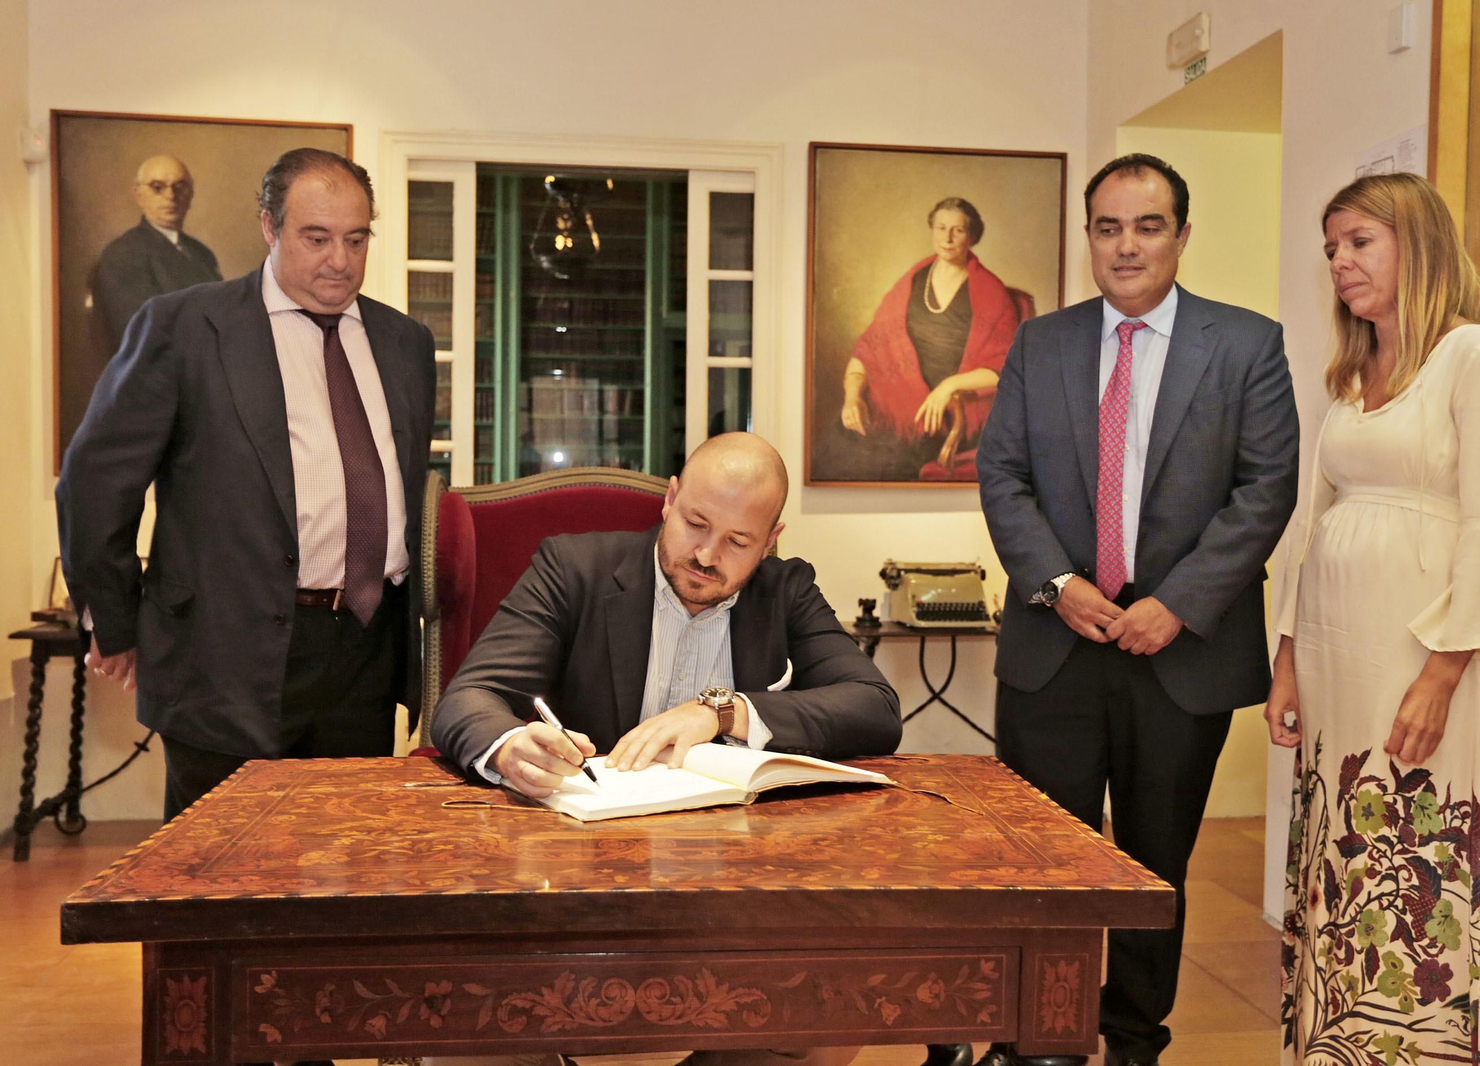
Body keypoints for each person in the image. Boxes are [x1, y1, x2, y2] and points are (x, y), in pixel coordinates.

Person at [428, 431, 901, 1066]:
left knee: (832, 1005)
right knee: (473, 1015)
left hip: (737, 884)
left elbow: (875, 705)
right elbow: (469, 696)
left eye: (738, 542)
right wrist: (511, 745)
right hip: (575, 880)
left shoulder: (785, 591)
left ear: (771, 540)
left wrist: (723, 710)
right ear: (670, 499)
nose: (706, 555)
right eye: (695, 524)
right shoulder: (573, 568)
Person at [975, 153, 1300, 1066]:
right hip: (1055, 647)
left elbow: (1265, 491)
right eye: (1108, 227)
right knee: (1040, 862)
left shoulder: (1246, 345)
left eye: (1148, 226)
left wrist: (1179, 605)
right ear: (1088, 237)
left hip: (1179, 655)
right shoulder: (1040, 343)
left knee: (1156, 863)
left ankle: (1131, 1037)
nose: (1126, 245)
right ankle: (1036, 1036)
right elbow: (1002, 476)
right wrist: (1056, 584)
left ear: (1182, 235)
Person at [58, 148, 437, 837]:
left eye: (356, 240)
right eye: (316, 238)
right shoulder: (185, 327)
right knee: (217, 866)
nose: (340, 261)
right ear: (269, 226)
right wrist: (114, 621)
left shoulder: (405, 342)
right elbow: (96, 481)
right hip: (222, 654)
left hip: (364, 649)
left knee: (342, 860)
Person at [1267, 173, 1480, 1065]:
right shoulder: (1349, 375)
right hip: (1333, 658)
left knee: (1416, 855)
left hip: (1420, 655)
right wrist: (1287, 659)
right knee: (1340, 846)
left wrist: (1442, 674)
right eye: (1331, 247)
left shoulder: (1476, 355)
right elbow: (1309, 525)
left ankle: (1419, 1046)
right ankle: (1337, 1042)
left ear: (1418, 244)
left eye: (1359, 242)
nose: (1340, 261)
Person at [831, 197, 1021, 481]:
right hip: (897, 404)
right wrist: (852, 396)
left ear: (972, 237)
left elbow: (1006, 367)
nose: (947, 238)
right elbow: (869, 347)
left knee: (894, 466)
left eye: (958, 230)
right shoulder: (913, 280)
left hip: (950, 413)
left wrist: (948, 386)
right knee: (839, 451)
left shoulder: (990, 291)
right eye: (941, 228)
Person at [90, 153, 223, 349]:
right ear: (139, 195)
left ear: (190, 194)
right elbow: (141, 333)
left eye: (180, 186)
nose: (171, 196)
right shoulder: (122, 254)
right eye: (158, 187)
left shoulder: (202, 253)